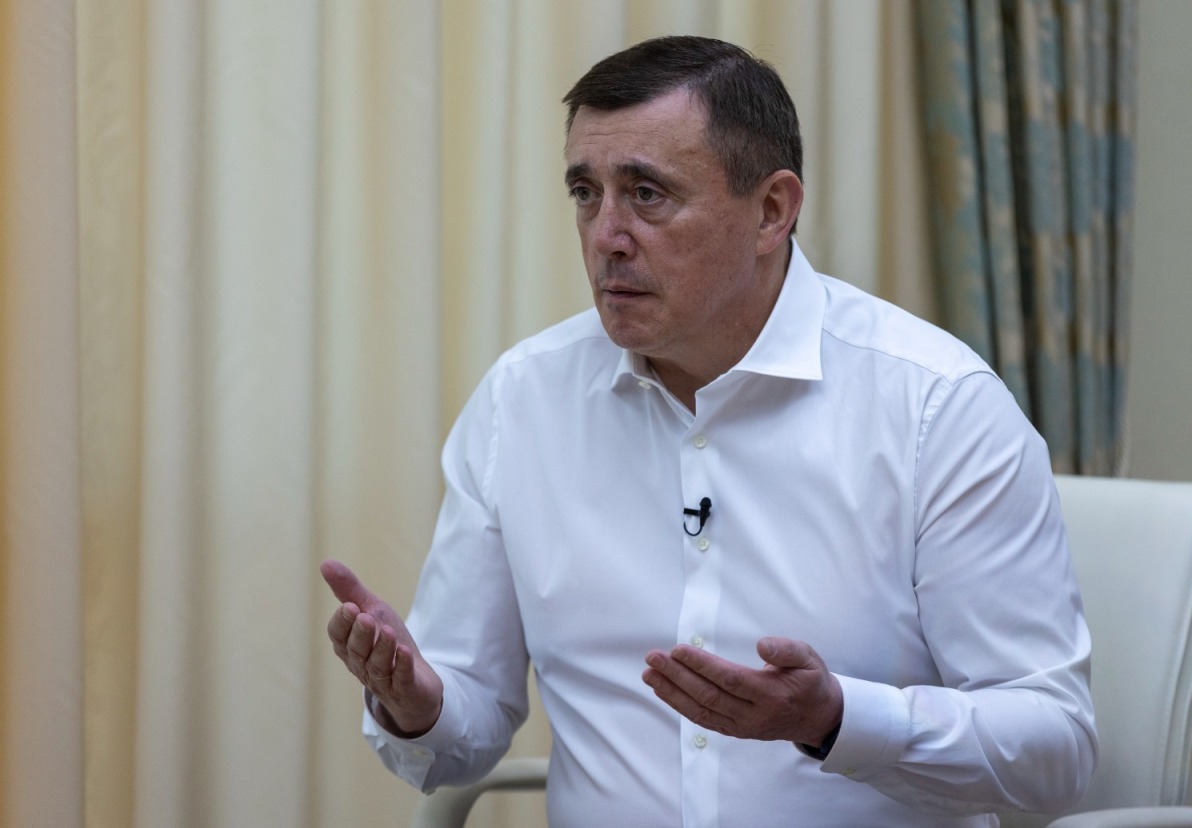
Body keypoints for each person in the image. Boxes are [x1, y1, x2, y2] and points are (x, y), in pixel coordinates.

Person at [322, 35, 1096, 827]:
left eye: (647, 194)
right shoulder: (521, 402)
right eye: (585, 192)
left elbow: (1056, 749)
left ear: (772, 211)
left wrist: (836, 720)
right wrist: (418, 705)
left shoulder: (937, 409)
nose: (606, 234)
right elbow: (463, 727)